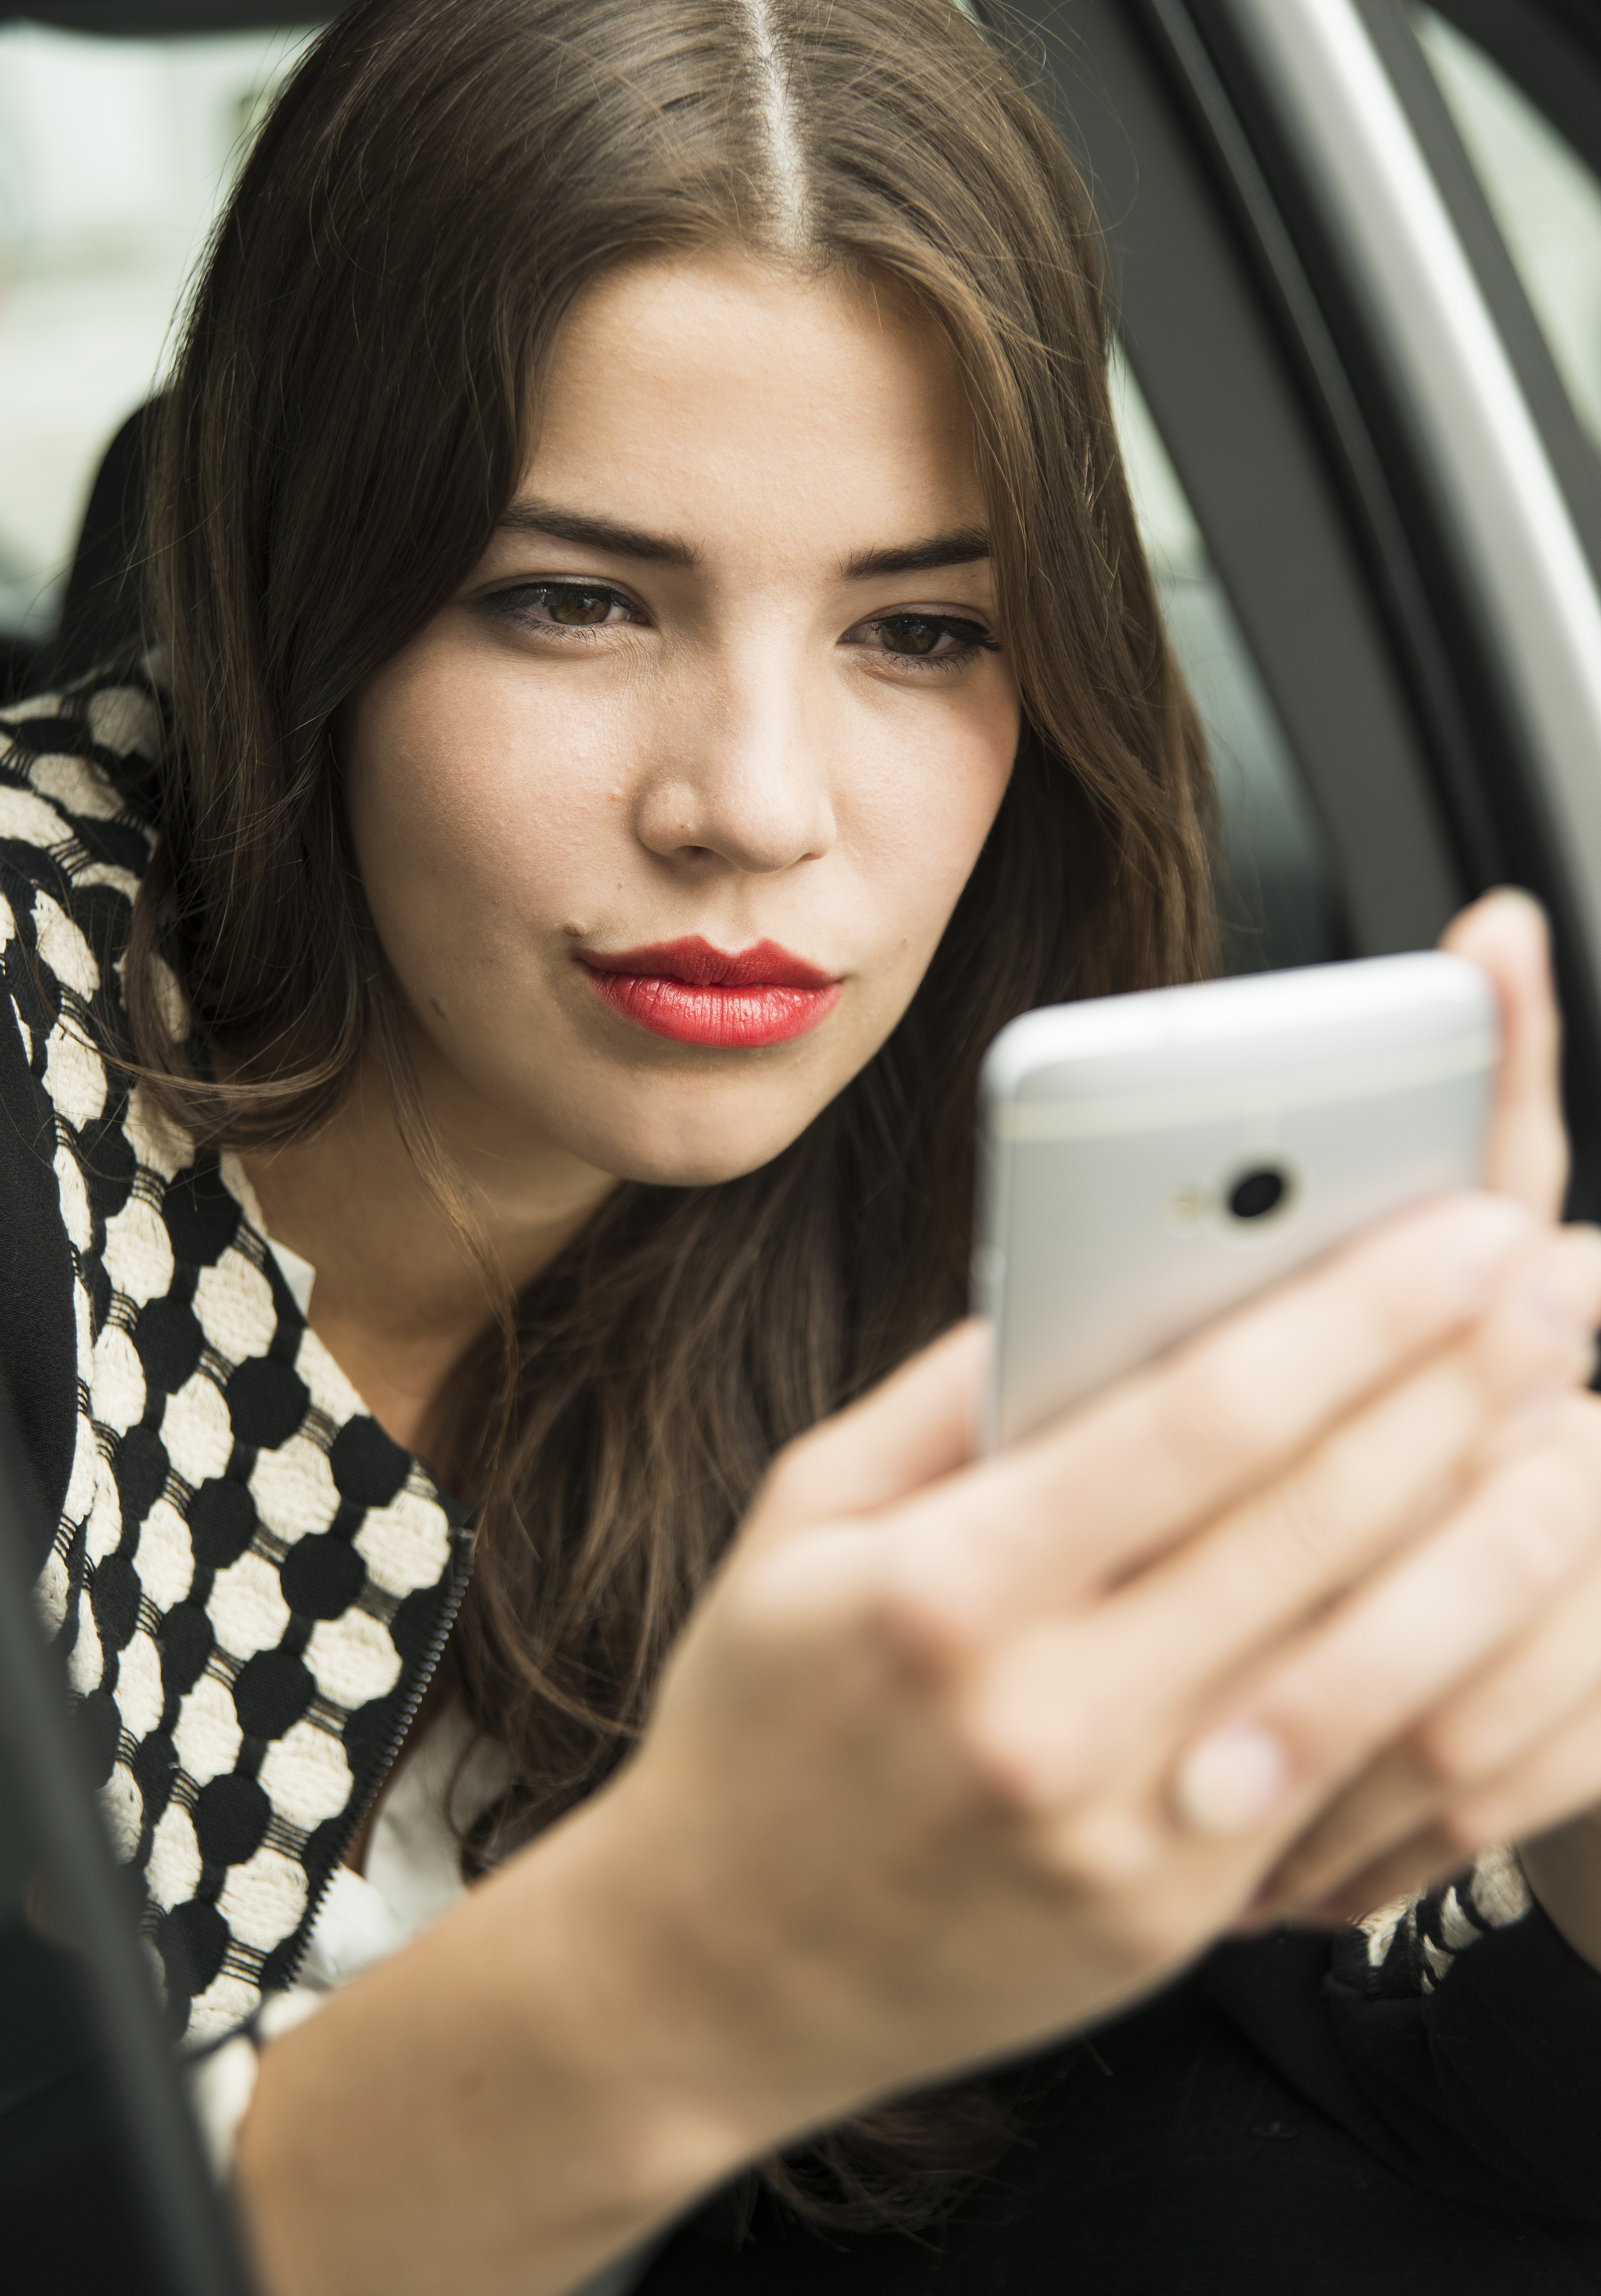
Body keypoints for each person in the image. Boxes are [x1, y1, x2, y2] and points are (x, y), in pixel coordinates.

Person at [3, 2, 1601, 2289]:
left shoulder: (1002, 1134)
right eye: (571, 599)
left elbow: (1417, 2068)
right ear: (297, 584)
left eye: (921, 628)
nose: (756, 801)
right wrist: (678, 1977)